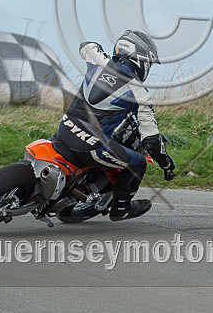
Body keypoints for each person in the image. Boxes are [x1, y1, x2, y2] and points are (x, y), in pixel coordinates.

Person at [52, 29, 175, 221]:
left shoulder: (97, 60)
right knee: (139, 162)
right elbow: (151, 141)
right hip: (92, 147)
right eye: (148, 63)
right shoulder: (140, 93)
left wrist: (104, 56)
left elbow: (86, 45)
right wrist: (166, 164)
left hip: (64, 129)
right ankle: (121, 209)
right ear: (140, 59)